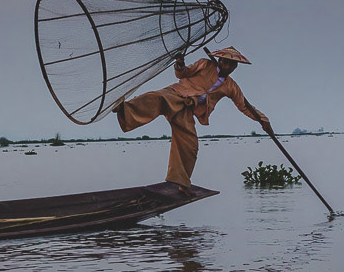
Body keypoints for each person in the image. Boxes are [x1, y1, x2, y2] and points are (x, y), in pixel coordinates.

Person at [113, 46, 272, 196]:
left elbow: (244, 106)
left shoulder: (231, 86)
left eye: (231, 64)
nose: (227, 65)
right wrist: (180, 65)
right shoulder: (205, 64)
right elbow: (183, 74)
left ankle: (181, 183)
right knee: (157, 98)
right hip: (176, 94)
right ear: (220, 61)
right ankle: (123, 109)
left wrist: (263, 121)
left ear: (235, 67)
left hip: (189, 109)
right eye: (224, 61)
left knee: (190, 145)